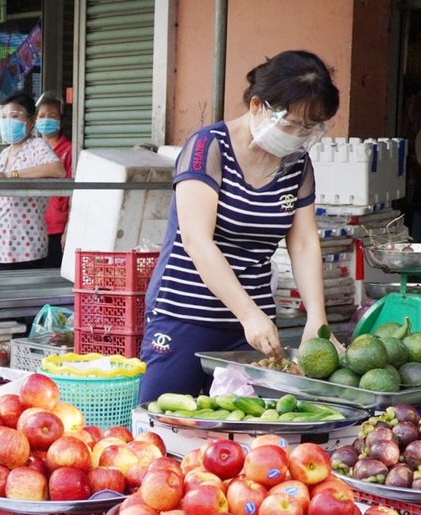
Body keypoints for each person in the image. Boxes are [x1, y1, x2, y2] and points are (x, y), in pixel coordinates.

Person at [137, 50, 341, 402]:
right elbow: (197, 241)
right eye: (292, 125)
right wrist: (247, 313)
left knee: (244, 434)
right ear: (257, 105)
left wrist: (317, 320)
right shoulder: (208, 147)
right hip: (186, 315)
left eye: (310, 127)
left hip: (254, 328)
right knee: (162, 425)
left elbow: (305, 243)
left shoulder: (297, 164)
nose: (299, 135)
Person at [0, 92, 66, 271]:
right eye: (4, 116)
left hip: (23, 245)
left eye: (15, 116)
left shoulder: (37, 146)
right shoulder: (4, 154)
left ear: (30, 122)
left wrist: (10, 175)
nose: (8, 121)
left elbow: (57, 169)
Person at [35, 92, 73, 269]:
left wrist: (69, 229)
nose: (46, 120)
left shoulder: (69, 151)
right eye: (41, 116)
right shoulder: (31, 150)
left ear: (62, 121)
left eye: (52, 116)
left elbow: (75, 195)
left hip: (57, 229)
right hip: (32, 227)